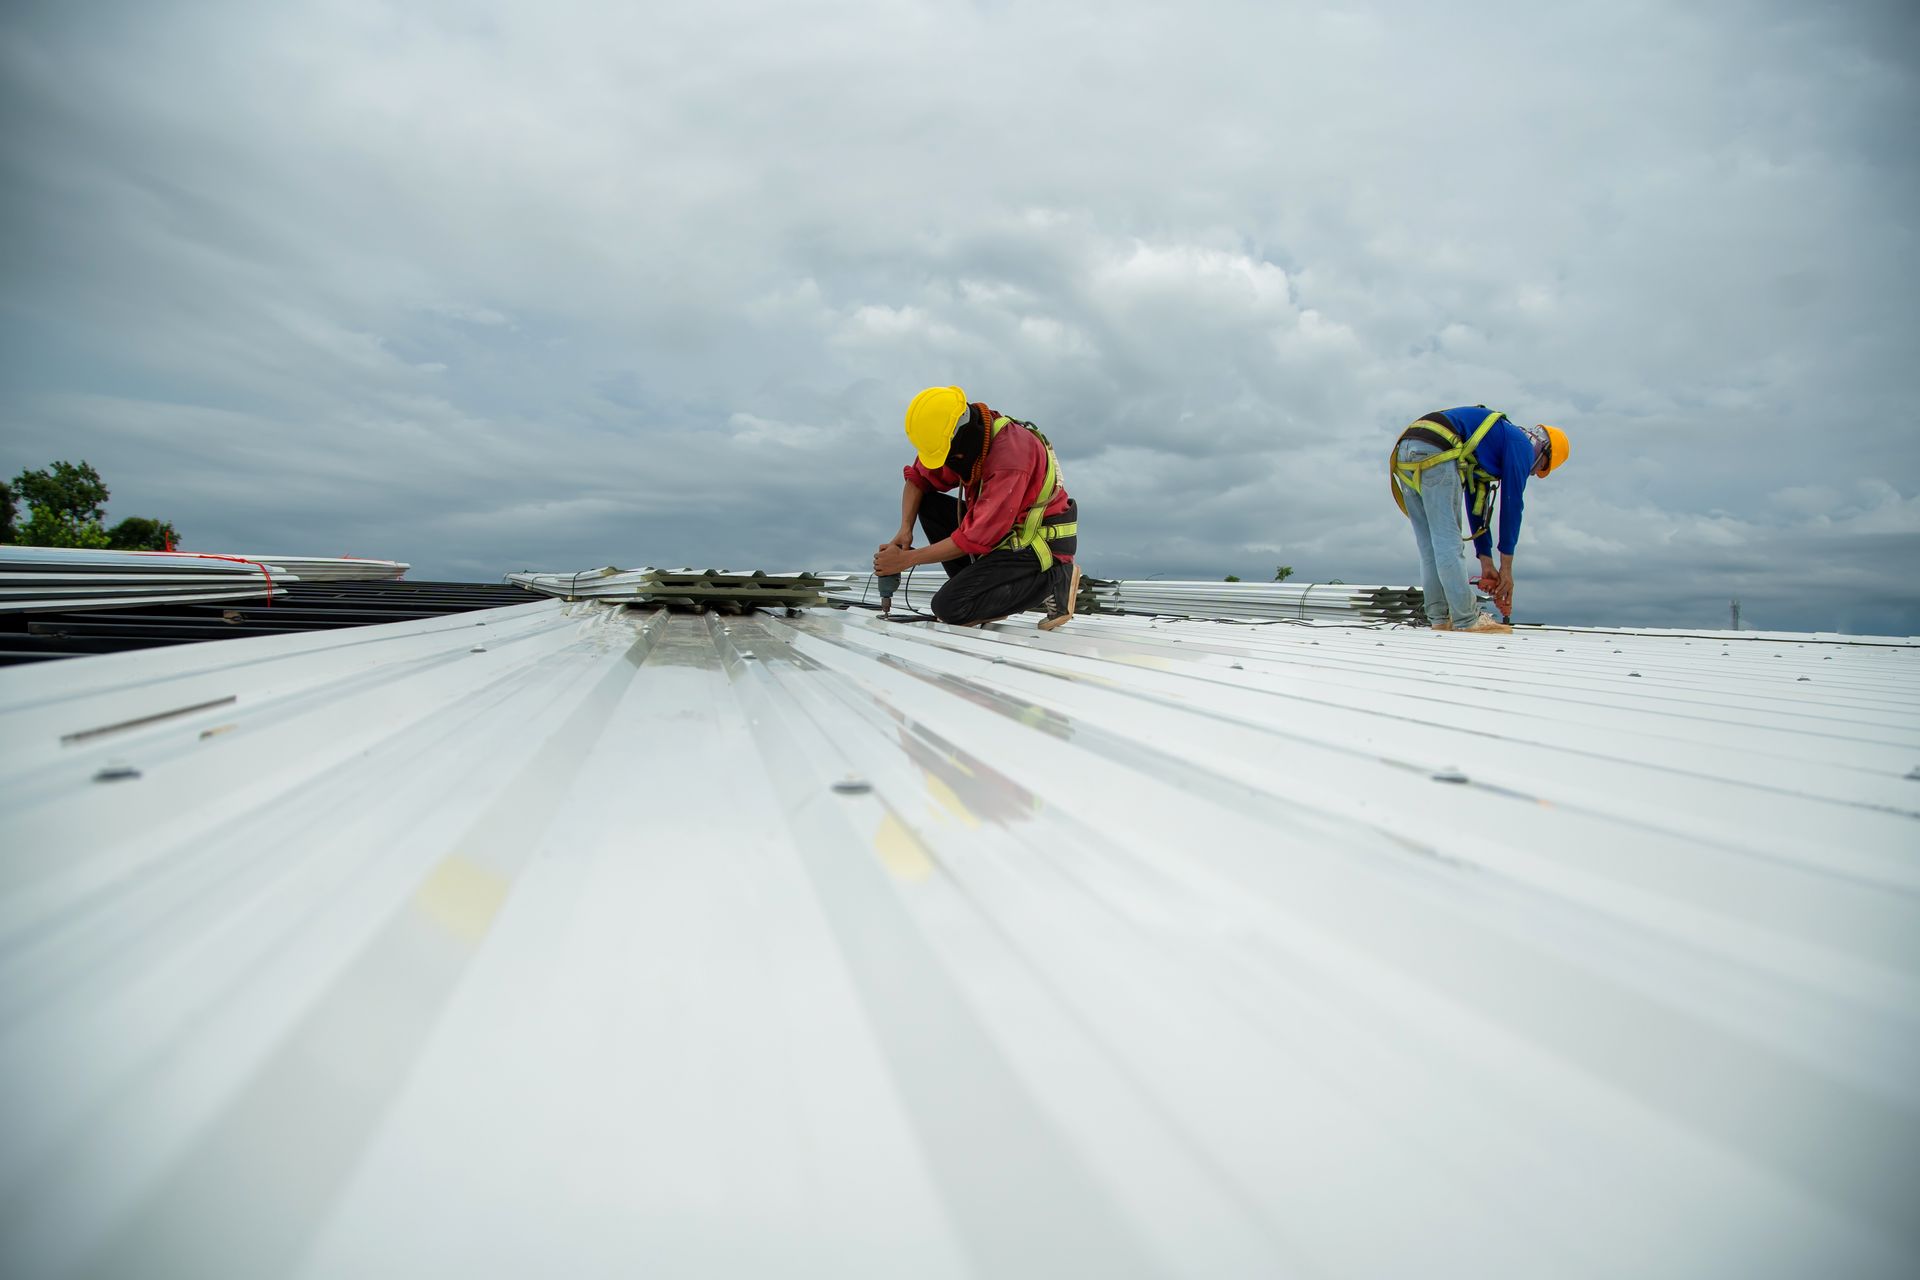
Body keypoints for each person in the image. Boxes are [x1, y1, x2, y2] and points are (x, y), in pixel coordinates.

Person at [873, 386, 1081, 629]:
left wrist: (906, 560)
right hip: (1004, 532)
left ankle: (1055, 579)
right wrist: (904, 530)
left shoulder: (1010, 459)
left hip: (1035, 543)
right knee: (928, 503)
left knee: (949, 608)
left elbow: (973, 537)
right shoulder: (968, 436)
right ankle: (982, 595)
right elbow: (918, 479)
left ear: (961, 437)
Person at [1390, 406, 1570, 633]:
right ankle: (1467, 620)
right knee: (1448, 542)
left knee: (1430, 546)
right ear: (1543, 451)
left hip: (1407, 450)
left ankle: (1439, 620)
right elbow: (1511, 504)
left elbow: (1477, 506)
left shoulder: (1489, 447)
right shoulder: (1522, 446)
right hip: (1437, 450)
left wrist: (1486, 562)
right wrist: (1507, 569)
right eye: (1539, 468)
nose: (1532, 472)